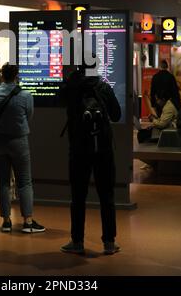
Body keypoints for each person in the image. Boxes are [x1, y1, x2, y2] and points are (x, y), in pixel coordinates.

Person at [60, 66, 121, 255]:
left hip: (79, 149)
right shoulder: (103, 87)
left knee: (78, 197)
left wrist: (71, 81)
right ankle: (109, 242)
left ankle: (77, 241)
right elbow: (116, 115)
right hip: (102, 149)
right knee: (107, 196)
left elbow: (60, 102)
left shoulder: (72, 87)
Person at [0, 63, 45, 233]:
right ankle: (27, 221)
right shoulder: (26, 95)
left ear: (1, 76)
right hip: (19, 141)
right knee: (24, 182)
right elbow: (29, 116)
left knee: (2, 182)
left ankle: (6, 221)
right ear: (17, 76)